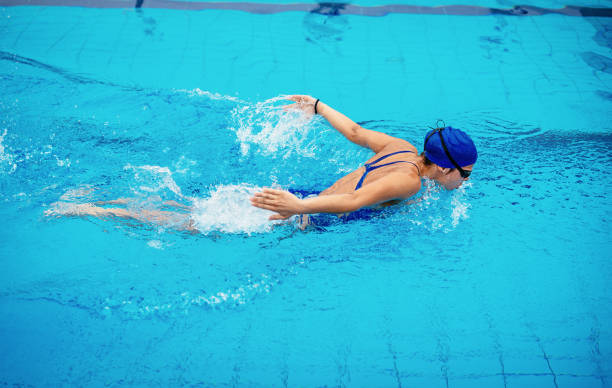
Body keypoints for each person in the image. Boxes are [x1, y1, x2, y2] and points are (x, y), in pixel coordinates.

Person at [249, 95, 477, 223]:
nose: (466, 180)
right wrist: (298, 207)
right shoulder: (410, 181)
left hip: (312, 199)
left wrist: (318, 106)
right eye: (465, 173)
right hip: (317, 219)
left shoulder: (402, 148)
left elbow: (355, 132)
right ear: (444, 169)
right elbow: (354, 200)